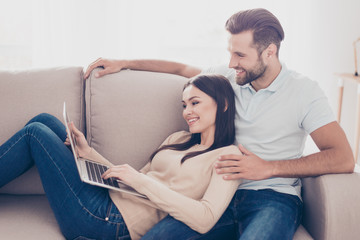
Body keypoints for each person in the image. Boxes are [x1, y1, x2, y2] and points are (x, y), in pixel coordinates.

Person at [84, 8, 355, 240]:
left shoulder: (304, 92)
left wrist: (268, 167)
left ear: (269, 52)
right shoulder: (228, 78)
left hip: (272, 198)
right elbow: (180, 70)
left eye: (240, 55)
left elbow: (343, 157)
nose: (231, 63)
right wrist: (124, 63)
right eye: (230, 53)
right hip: (212, 197)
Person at [0, 75, 244, 239]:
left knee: (35, 134)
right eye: (184, 105)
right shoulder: (178, 139)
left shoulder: (228, 156)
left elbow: (205, 219)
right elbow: (132, 181)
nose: (187, 112)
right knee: (44, 121)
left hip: (109, 221)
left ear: (222, 103)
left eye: (194, 103)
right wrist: (88, 153)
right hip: (109, 197)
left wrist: (142, 181)